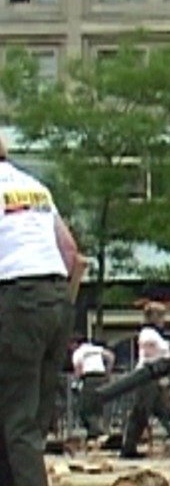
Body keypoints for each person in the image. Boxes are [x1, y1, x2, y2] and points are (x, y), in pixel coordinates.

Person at [0, 137, 83, 486]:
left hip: (17, 296)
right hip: (56, 299)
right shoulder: (35, 187)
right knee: (31, 424)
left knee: (16, 424)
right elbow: (72, 254)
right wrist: (63, 305)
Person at [121, 302, 170, 459]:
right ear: (153, 317)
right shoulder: (147, 333)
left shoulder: (156, 334)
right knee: (140, 413)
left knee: (165, 411)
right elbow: (153, 349)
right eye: (161, 316)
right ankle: (128, 447)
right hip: (146, 377)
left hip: (156, 377)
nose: (164, 320)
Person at [71, 335, 115, 439]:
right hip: (102, 377)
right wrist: (107, 372)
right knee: (97, 408)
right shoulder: (96, 349)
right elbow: (111, 357)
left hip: (90, 378)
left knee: (84, 409)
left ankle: (98, 432)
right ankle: (94, 433)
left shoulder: (78, 352)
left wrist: (76, 383)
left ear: (75, 344)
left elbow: (78, 368)